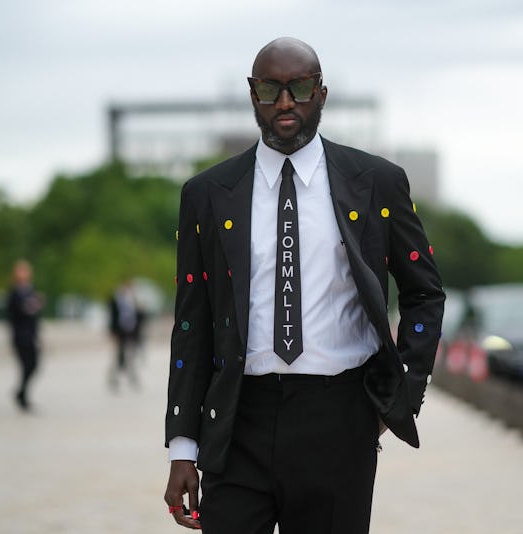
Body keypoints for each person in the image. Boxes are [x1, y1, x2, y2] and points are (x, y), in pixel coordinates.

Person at [163, 37, 445, 533]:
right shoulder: (207, 195)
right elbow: (193, 320)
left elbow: (424, 293)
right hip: (236, 420)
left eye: (300, 87)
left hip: (338, 418)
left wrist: (401, 391)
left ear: (322, 93)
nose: (286, 102)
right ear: (253, 95)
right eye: (271, 89)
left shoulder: (377, 182)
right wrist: (183, 448)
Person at [6, 260, 44, 411]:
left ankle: (21, 392)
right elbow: (13, 315)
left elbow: (36, 313)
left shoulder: (31, 290)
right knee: (25, 365)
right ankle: (22, 395)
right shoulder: (14, 292)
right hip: (20, 335)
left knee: (34, 365)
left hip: (31, 334)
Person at [108, 280, 142, 391]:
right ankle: (113, 380)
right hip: (120, 333)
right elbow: (112, 319)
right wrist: (113, 334)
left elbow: (137, 320)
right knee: (117, 358)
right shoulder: (115, 302)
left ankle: (133, 379)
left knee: (130, 358)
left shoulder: (132, 302)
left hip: (130, 334)